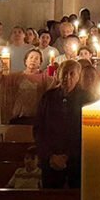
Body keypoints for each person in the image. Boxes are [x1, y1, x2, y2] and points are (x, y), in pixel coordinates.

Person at [34, 60, 92, 189]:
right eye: (64, 73)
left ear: (78, 76)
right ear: (58, 74)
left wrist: (69, 156)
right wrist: (50, 156)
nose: (67, 77)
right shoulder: (48, 97)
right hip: (51, 160)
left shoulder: (87, 99)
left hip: (76, 162)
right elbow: (39, 129)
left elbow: (89, 133)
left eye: (72, 74)